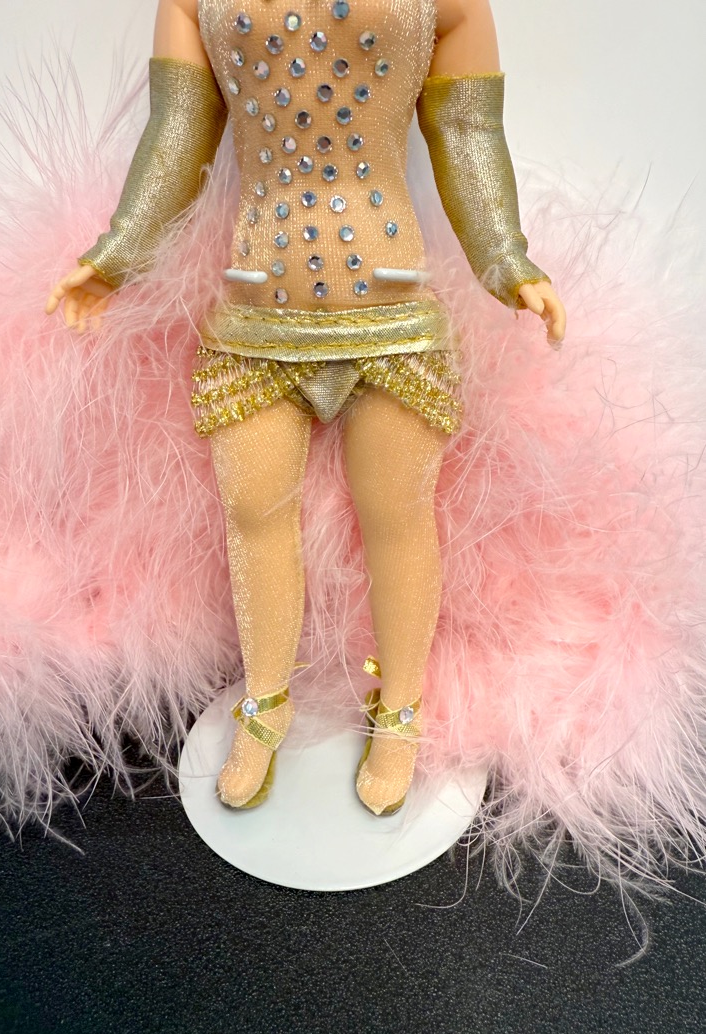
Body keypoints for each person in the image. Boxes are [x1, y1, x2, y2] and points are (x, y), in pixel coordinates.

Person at [45, 0, 565, 815]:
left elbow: (465, 130)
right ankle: (265, 705)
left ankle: (400, 708)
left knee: (398, 519)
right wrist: (117, 255)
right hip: (254, 319)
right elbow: (178, 130)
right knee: (253, 517)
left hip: (393, 315)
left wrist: (506, 259)